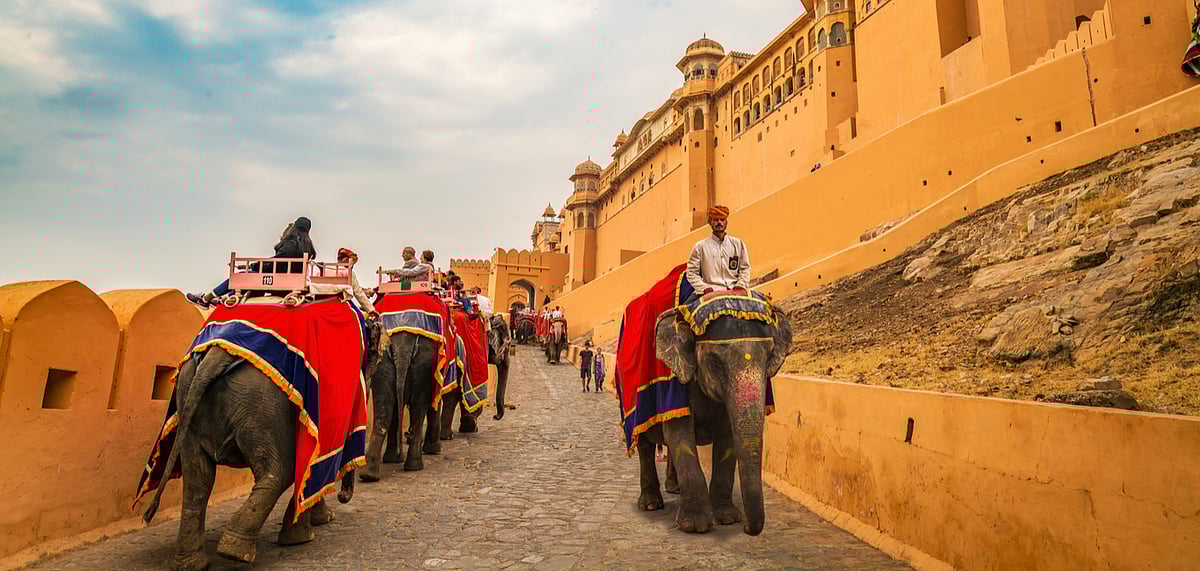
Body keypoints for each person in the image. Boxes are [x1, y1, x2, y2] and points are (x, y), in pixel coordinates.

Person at [187, 216, 316, 307]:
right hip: (294, 281)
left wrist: (254, 266)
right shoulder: (307, 247)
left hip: (279, 280)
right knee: (252, 278)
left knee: (241, 276)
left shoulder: (291, 244)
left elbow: (275, 264)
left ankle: (205, 299)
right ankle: (222, 300)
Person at [685, 205, 750, 302]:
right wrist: (704, 288)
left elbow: (745, 268)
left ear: (726, 222)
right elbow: (691, 273)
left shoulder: (738, 244)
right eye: (716, 220)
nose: (719, 222)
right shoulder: (700, 247)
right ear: (709, 222)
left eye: (722, 219)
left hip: (735, 289)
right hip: (711, 291)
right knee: (683, 313)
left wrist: (740, 285)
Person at [335, 247, 379, 320]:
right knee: (360, 318)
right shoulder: (349, 272)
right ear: (346, 260)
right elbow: (358, 292)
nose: (352, 265)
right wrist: (371, 309)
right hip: (342, 301)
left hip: (323, 301)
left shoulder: (326, 270)